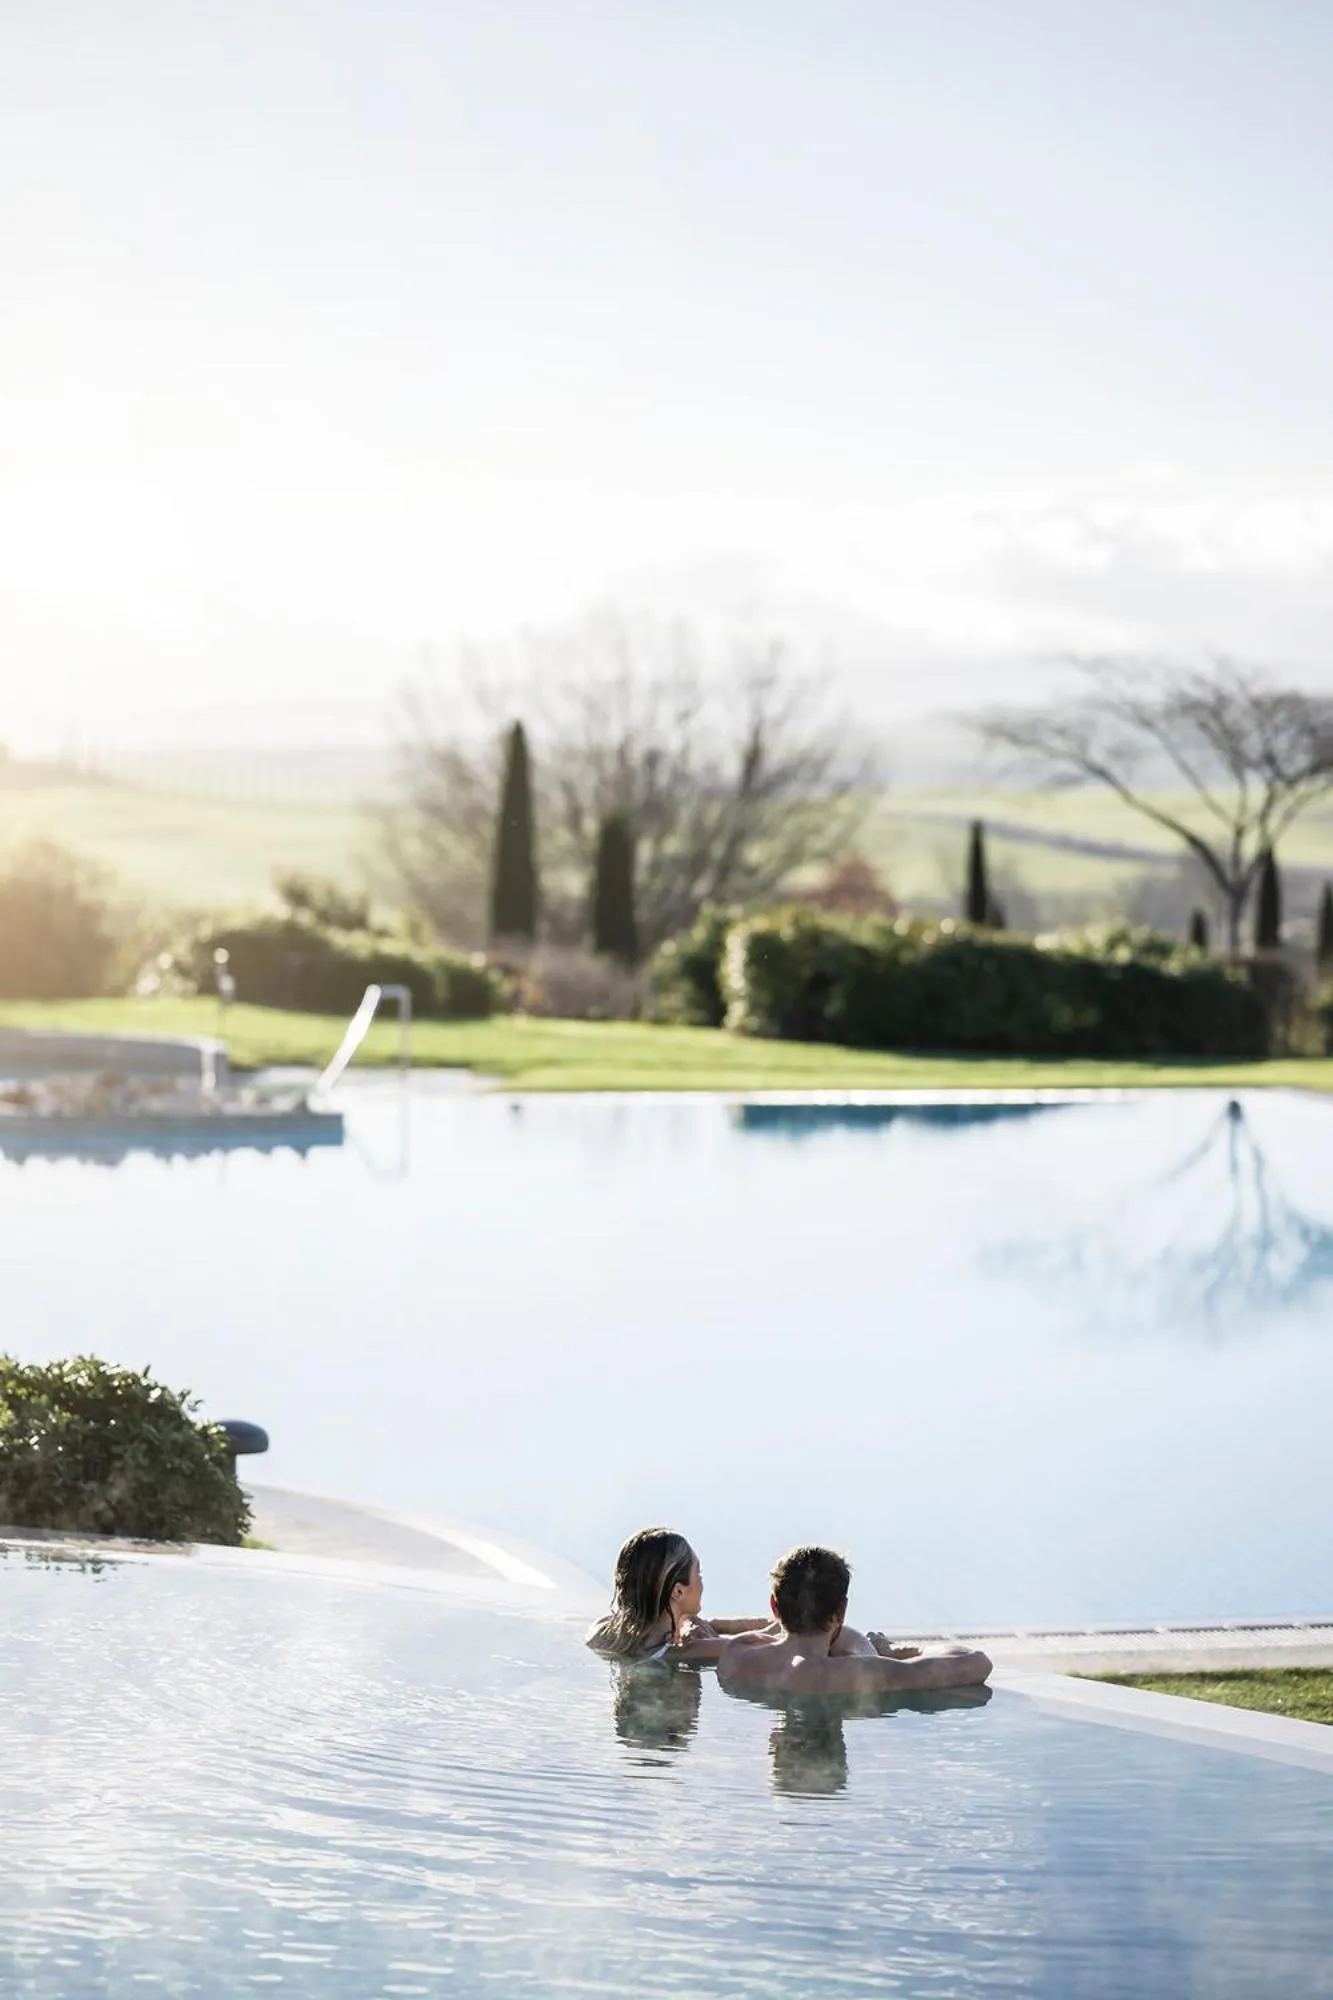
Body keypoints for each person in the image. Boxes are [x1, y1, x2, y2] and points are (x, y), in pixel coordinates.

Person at [584, 1526, 911, 1666]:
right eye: (699, 1574)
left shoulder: (602, 1630)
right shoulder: (691, 1652)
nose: (702, 1582)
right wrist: (881, 1651)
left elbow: (718, 1624)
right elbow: (790, 1641)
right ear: (678, 1591)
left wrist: (684, 1622)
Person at [717, 1545, 992, 1697]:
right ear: (842, 1611)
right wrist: (894, 1651)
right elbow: (978, 1663)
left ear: (774, 1607)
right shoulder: (858, 1674)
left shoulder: (737, 1656)